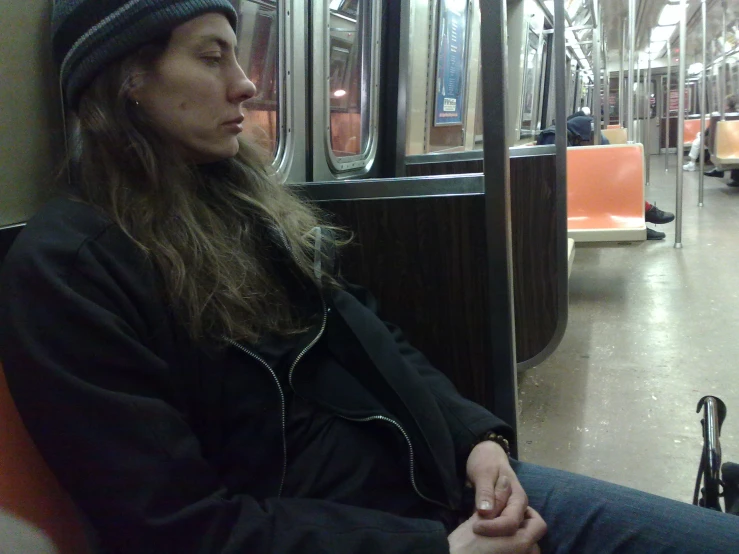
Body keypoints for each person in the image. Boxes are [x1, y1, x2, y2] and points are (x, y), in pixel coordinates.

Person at [0, 2, 737, 553]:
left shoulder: (241, 209)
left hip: (442, 489)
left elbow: (375, 338)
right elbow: (174, 525)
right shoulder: (72, 271)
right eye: (211, 57)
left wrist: (475, 442)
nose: (245, 85)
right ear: (129, 79)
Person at [538, 115, 675, 240]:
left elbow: (604, 151)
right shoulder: (554, 138)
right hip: (555, 192)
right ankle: (641, 215)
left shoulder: (580, 133)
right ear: (583, 138)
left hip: (569, 186)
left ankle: (639, 216)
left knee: (613, 183)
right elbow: (554, 175)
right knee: (605, 189)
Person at [683, 94, 738, 181]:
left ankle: (692, 163)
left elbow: (710, 130)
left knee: (698, 141)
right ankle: (718, 169)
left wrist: (703, 134)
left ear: (726, 105)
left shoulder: (720, 116)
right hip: (733, 141)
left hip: (720, 141)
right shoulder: (736, 114)